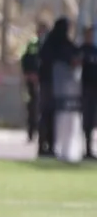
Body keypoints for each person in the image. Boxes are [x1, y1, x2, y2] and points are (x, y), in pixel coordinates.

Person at [38, 17, 80, 158]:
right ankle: (44, 145)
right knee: (47, 115)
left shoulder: (62, 43)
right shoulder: (51, 43)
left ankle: (51, 145)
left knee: (54, 116)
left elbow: (74, 52)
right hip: (49, 83)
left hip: (60, 86)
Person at [20, 21, 48, 143]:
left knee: (43, 108)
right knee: (32, 107)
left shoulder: (48, 45)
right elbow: (26, 59)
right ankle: (31, 133)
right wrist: (29, 73)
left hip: (44, 81)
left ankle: (43, 134)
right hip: (33, 80)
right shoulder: (33, 43)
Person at [79, 25, 97, 158]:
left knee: (92, 118)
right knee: (87, 118)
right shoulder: (81, 51)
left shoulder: (95, 51)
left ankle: (90, 147)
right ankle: (86, 147)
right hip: (85, 88)